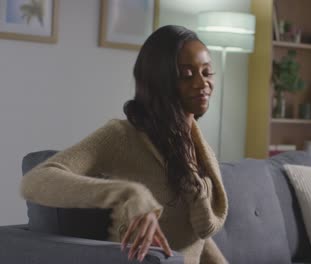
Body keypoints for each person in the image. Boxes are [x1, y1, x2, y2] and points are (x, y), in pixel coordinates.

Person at [20, 25, 228, 264]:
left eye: (207, 72)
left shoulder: (200, 150)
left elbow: (195, 238)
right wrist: (129, 193)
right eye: (187, 74)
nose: (202, 84)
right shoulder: (121, 136)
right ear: (160, 79)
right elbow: (36, 181)